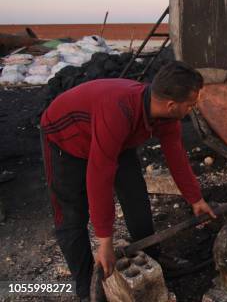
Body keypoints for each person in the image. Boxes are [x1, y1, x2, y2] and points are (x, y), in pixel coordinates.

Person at [40, 61, 217, 300]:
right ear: (172, 104)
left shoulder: (164, 115)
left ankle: (151, 254)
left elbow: (176, 155)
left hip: (114, 137)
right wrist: (105, 242)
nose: (192, 109)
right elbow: (99, 177)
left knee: (136, 197)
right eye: (191, 105)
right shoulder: (119, 111)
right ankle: (85, 289)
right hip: (65, 138)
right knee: (72, 215)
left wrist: (195, 199)